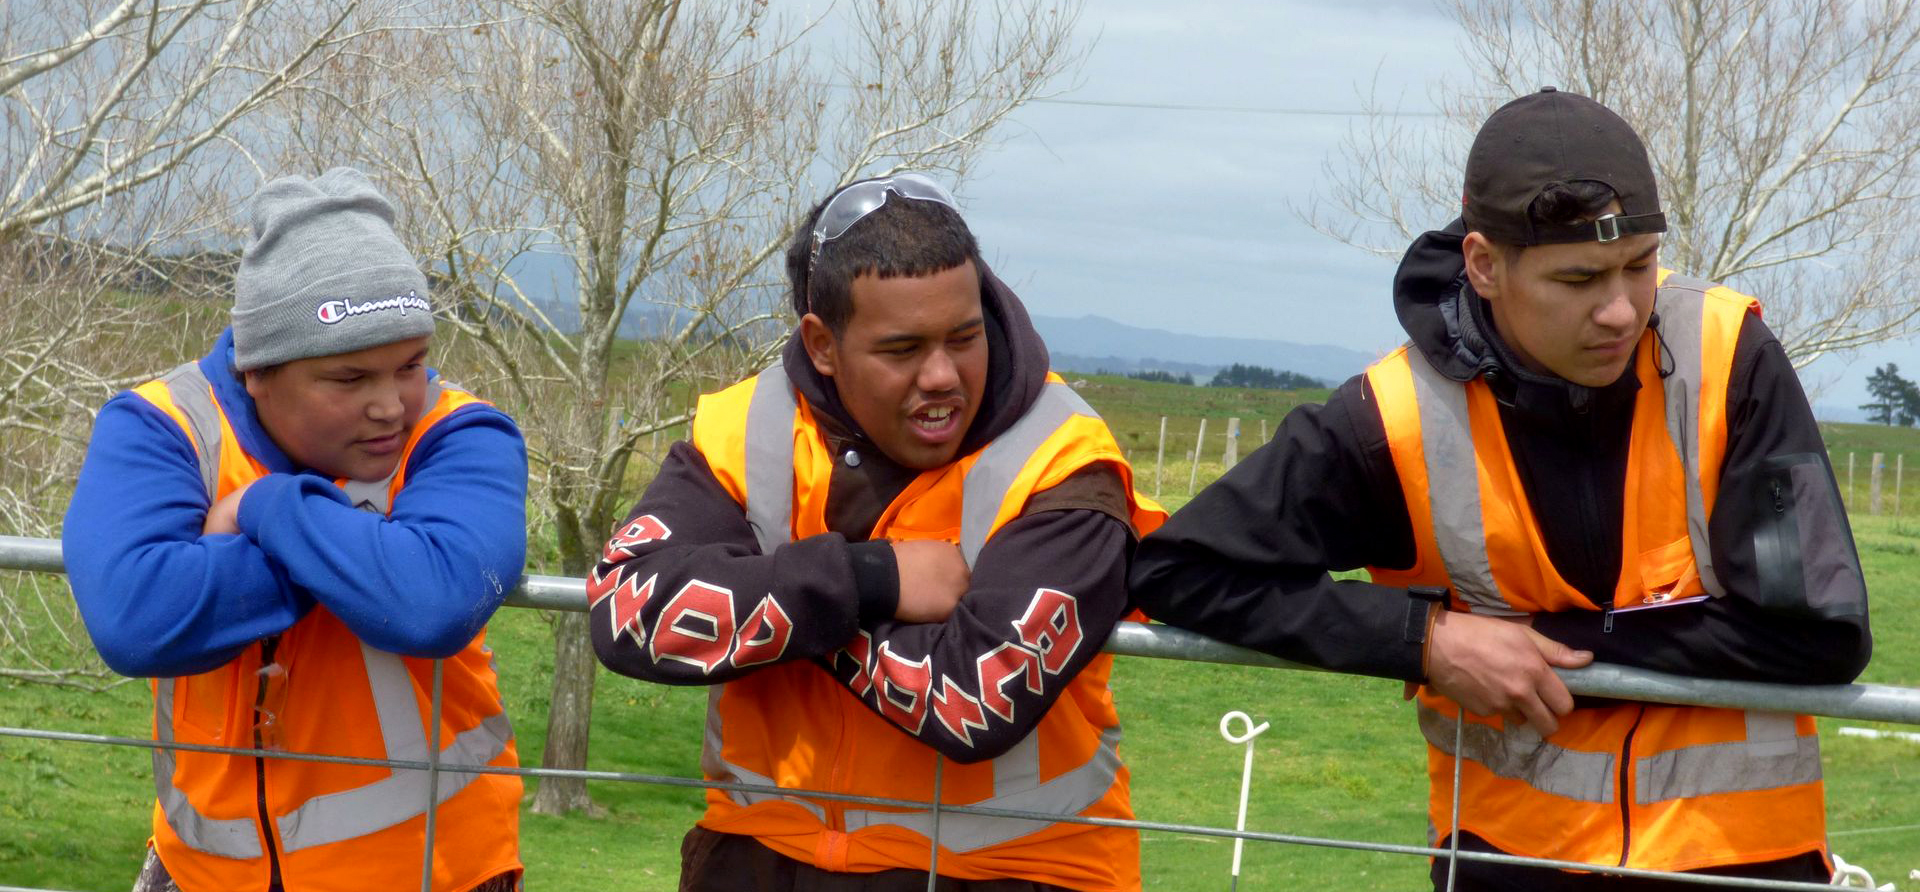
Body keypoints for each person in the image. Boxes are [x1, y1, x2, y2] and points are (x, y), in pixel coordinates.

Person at [1129, 88, 1871, 890]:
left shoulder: (1732, 355)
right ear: (1484, 264)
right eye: (1579, 278)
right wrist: (1428, 640)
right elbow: (1177, 570)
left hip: (1745, 862)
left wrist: (1545, 642)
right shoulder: (1392, 416)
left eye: (1641, 265)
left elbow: (1823, 633)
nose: (1620, 310)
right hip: (1505, 860)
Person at [588, 173, 1166, 891]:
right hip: (761, 856)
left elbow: (974, 700)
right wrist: (869, 580)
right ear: (823, 345)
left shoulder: (1065, 459)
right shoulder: (750, 428)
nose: (942, 376)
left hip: (1015, 872)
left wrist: (778, 608)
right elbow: (625, 612)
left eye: (965, 338)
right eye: (902, 350)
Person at [65, 167, 528, 892]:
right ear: (257, 369)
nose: (392, 408)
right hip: (201, 874)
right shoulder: (160, 425)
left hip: (434, 872)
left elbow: (434, 601)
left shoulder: (462, 431)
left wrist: (267, 509)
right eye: (350, 379)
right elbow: (135, 617)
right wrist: (366, 555)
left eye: (411, 365)